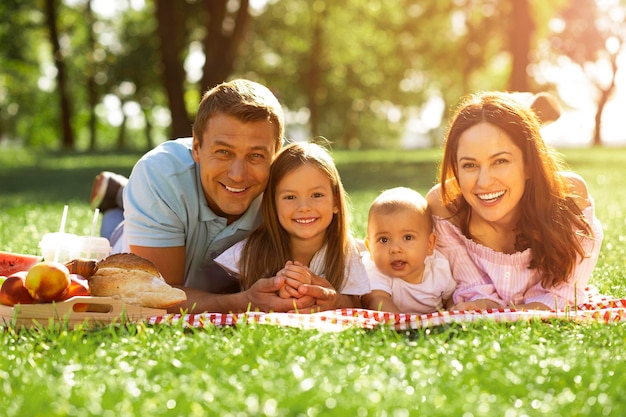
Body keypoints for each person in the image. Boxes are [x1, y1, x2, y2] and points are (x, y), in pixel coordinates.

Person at [89, 79, 331, 314]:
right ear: (196, 148)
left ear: (276, 154)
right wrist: (244, 302)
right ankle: (122, 196)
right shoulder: (159, 173)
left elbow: (346, 258)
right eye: (223, 152)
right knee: (112, 230)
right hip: (131, 238)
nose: (238, 175)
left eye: (256, 155)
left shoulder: (288, 189)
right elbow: (162, 296)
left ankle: (121, 192)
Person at [426, 91, 603, 311]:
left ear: (529, 164)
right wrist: (482, 303)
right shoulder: (445, 207)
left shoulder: (569, 200)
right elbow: (472, 289)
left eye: (500, 161)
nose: (484, 182)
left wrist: (535, 308)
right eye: (469, 165)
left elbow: (561, 291)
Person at [215, 141, 370, 311]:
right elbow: (222, 296)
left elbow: (359, 304)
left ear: (335, 202)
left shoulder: (344, 250)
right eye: (290, 197)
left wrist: (334, 300)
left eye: (317, 195)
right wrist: (280, 289)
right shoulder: (254, 251)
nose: (304, 207)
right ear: (273, 205)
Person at [360, 187, 455, 314]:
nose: (395, 249)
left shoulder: (439, 268)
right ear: (370, 248)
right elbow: (377, 301)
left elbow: (450, 299)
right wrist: (403, 325)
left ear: (429, 244)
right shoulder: (375, 270)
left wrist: (452, 310)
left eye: (407, 237)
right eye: (383, 240)